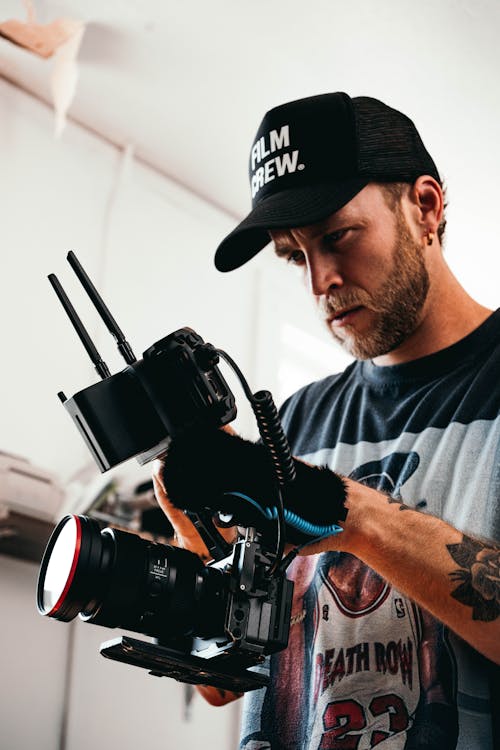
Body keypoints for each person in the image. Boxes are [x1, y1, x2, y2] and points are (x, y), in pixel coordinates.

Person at [153, 93, 500, 749]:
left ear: (425, 207)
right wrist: (198, 535)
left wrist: (354, 517)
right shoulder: (297, 420)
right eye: (294, 255)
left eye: (337, 236)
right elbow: (222, 682)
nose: (320, 281)